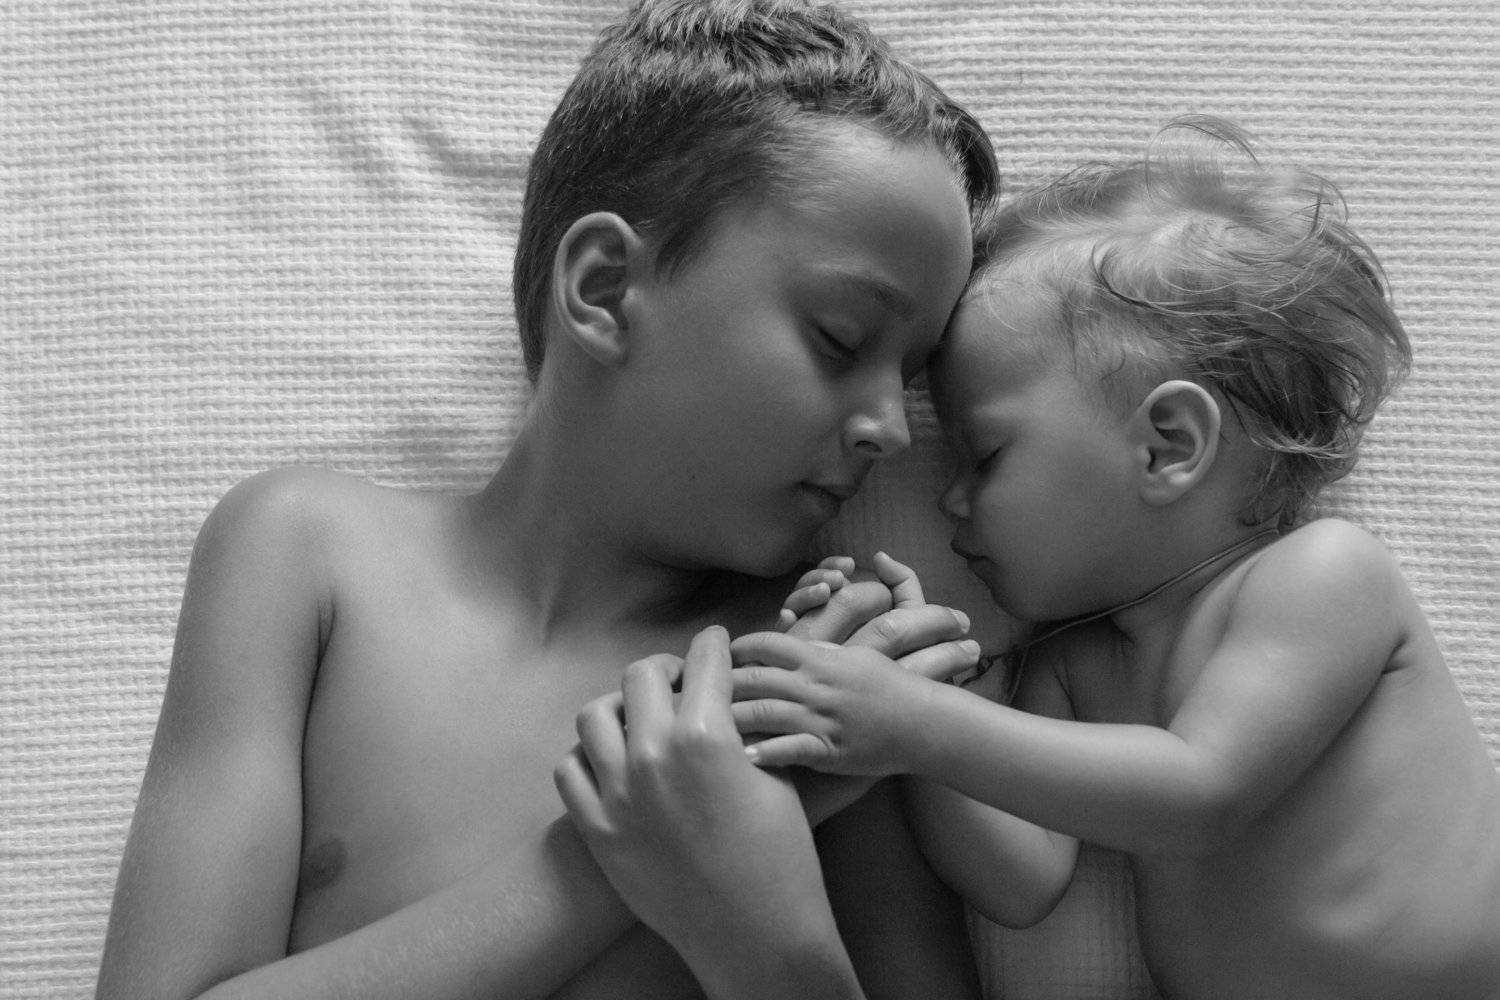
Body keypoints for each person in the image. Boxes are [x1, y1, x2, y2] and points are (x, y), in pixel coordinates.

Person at [94, 1, 999, 998]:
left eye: (910, 376)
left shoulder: (821, 676)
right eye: (839, 338)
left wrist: (765, 936)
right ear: (605, 289)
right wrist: (614, 854)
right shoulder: (308, 553)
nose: (892, 429)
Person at [727, 117, 1500, 999]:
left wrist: (917, 721)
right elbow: (1019, 883)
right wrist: (908, 696)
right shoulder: (1075, 663)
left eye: (985, 457)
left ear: (1167, 446)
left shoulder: (1322, 575)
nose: (950, 501)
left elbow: (1200, 792)